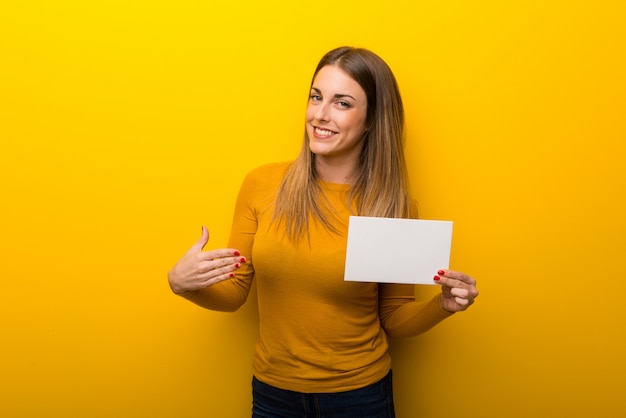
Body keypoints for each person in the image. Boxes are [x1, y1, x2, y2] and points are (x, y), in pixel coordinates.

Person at [168, 46, 479, 418]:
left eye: (342, 103)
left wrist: (440, 307)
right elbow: (235, 292)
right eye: (316, 97)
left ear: (371, 120)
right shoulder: (262, 184)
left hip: (360, 398)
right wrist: (185, 284)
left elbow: (394, 315)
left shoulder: (393, 206)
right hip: (273, 394)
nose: (320, 114)